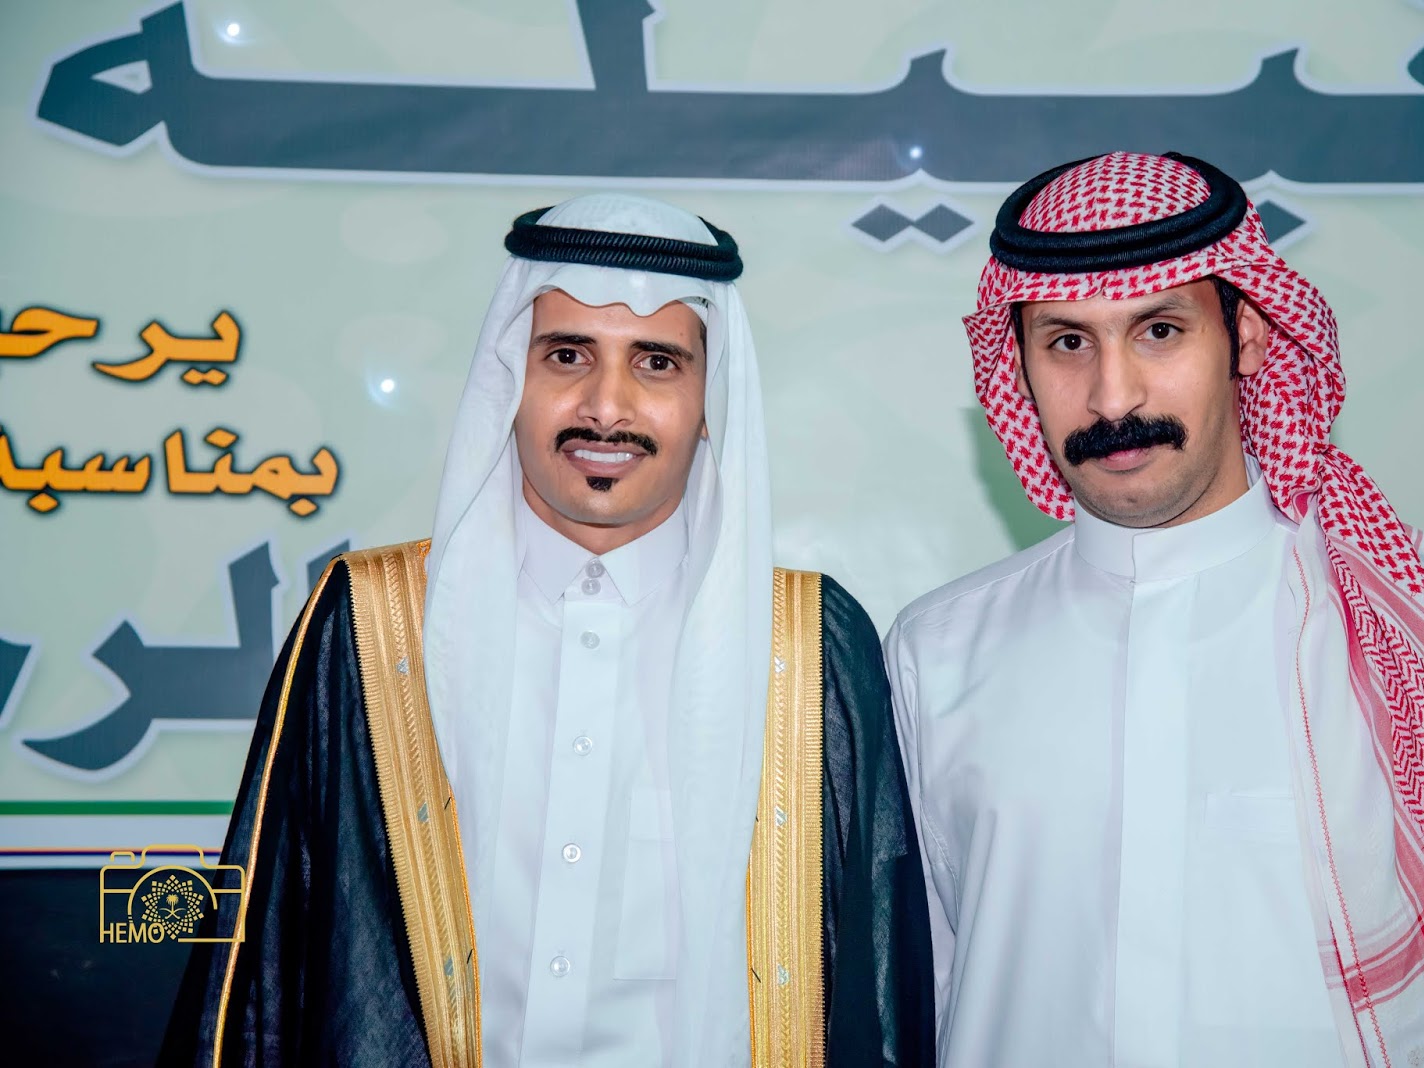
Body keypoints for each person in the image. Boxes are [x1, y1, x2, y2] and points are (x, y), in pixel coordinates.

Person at [162, 193, 934, 1067]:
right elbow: (266, 958)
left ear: (709, 398)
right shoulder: (369, 623)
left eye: (657, 363)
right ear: (509, 378)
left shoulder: (806, 644)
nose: (606, 406)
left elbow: (878, 978)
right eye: (567, 355)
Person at [885, 151, 1424, 1066]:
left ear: (1248, 336)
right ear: (1016, 363)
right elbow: (924, 997)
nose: (1113, 396)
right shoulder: (937, 652)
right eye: (1067, 342)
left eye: (1159, 331)